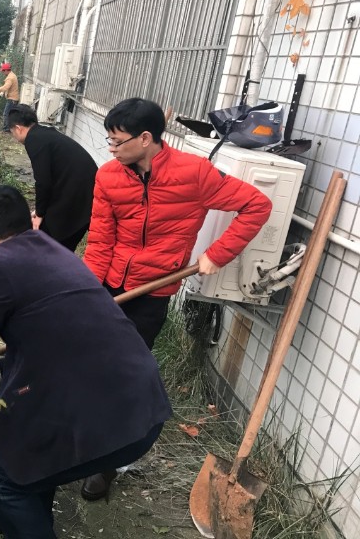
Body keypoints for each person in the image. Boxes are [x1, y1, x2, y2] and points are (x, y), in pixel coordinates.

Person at [0, 185, 172, 539]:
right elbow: (61, 338)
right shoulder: (55, 250)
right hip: (141, 403)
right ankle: (22, 520)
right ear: (27, 221)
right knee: (30, 455)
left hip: (112, 419)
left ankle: (24, 523)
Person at [78, 97, 272, 502]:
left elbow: (257, 205)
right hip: (112, 285)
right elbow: (99, 239)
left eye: (117, 141)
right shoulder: (109, 177)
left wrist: (216, 255)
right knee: (88, 364)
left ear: (145, 138)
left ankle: (110, 464)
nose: (110, 149)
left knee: (126, 376)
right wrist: (91, 291)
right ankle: (77, 440)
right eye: (108, 141)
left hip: (154, 291)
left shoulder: (194, 174)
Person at [7, 104, 98, 251]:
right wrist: (39, 211)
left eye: (12, 132)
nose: (15, 138)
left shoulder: (34, 140)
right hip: (80, 191)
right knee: (54, 241)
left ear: (18, 128)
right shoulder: (43, 134)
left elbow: (43, 182)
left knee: (51, 242)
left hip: (79, 197)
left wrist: (40, 213)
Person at [0, 62, 19, 132]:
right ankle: (11, 129)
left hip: (12, 99)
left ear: (7, 70)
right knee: (11, 115)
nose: (3, 72)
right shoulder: (12, 75)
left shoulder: (10, 78)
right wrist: (2, 92)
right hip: (14, 99)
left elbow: (5, 87)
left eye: (3, 71)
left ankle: (6, 130)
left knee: (6, 114)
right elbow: (9, 87)